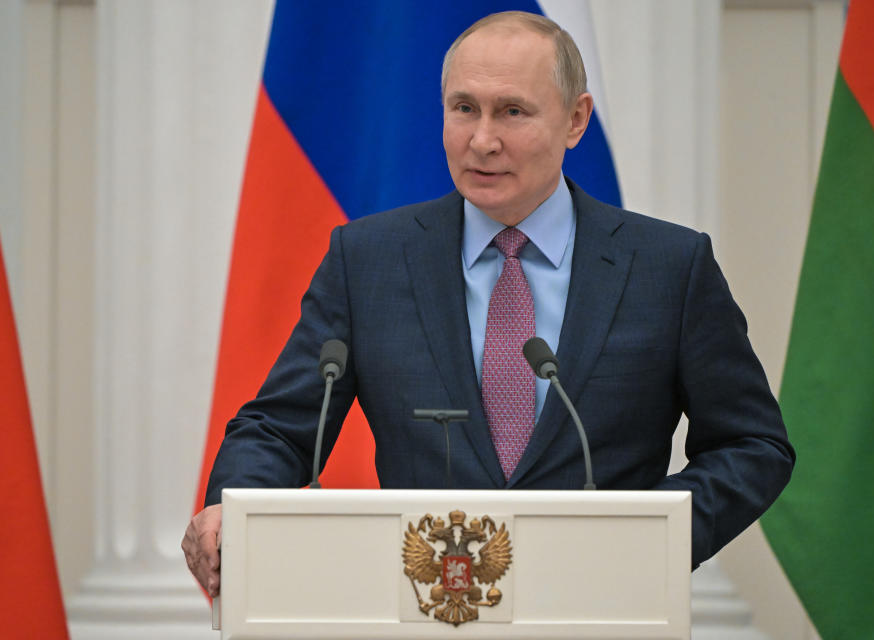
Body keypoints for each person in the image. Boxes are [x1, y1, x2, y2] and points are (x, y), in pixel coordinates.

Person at [182, 11, 794, 598]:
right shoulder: (367, 259)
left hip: (602, 608)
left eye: (513, 112)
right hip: (423, 605)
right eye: (464, 109)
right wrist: (233, 507)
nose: (482, 140)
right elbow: (279, 428)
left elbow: (751, 446)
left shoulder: (669, 267)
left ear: (576, 120)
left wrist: (650, 537)